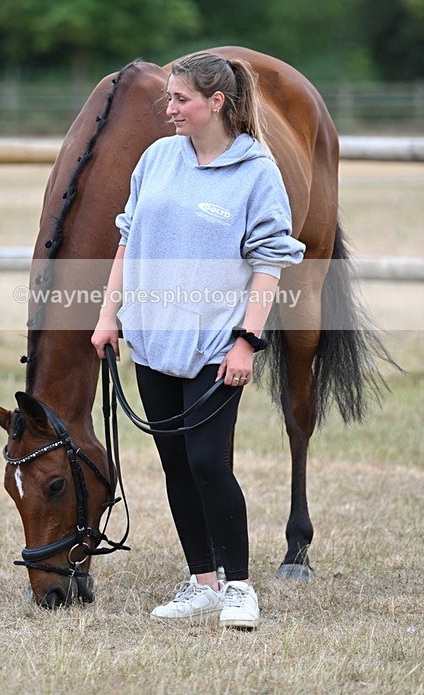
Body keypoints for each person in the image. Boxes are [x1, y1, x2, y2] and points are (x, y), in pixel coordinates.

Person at [91, 51, 305, 629]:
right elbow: (126, 243)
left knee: (210, 462)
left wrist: (247, 342)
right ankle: (201, 581)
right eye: (169, 98)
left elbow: (269, 264)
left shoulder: (257, 171)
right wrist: (109, 316)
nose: (169, 109)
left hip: (216, 344)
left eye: (180, 99)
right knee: (175, 465)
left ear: (217, 102)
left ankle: (239, 587)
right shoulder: (157, 158)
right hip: (153, 339)